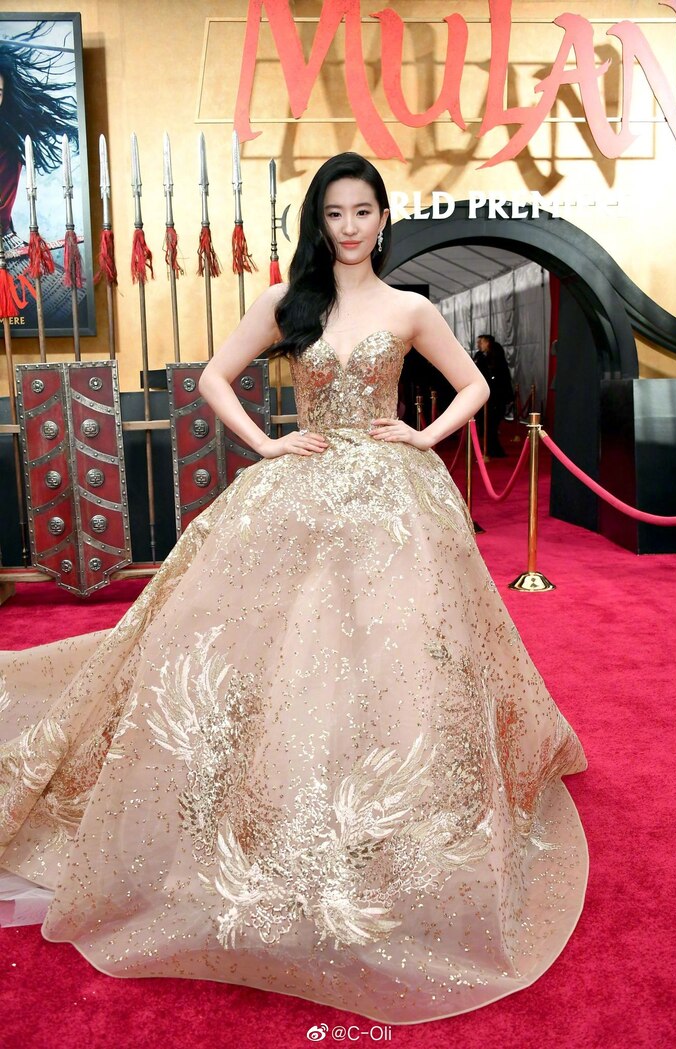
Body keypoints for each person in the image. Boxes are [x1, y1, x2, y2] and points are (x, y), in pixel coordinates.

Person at [0, 152, 588, 1026]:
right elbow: (212, 377)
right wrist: (268, 443)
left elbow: (473, 385)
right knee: (274, 646)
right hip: (301, 490)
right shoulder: (288, 302)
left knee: (401, 651)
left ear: (382, 219)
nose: (349, 226)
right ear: (320, 221)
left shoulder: (411, 307)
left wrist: (424, 435)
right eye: (335, 212)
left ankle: (391, 816)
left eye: (363, 211)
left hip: (391, 498)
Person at [473, 333, 514, 457]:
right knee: (487, 424)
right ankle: (490, 447)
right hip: (487, 396)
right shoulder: (480, 356)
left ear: (488, 342)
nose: (479, 344)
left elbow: (500, 375)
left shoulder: (496, 354)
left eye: (481, 342)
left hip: (496, 395)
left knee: (492, 424)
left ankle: (493, 448)